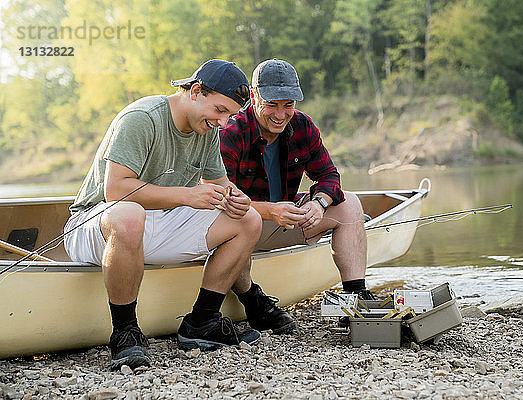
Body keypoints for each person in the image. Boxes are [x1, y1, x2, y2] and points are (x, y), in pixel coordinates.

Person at [64, 60, 274, 370]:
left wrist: (236, 199)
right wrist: (188, 195)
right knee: (129, 214)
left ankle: (202, 322)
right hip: (97, 224)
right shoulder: (143, 117)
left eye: (230, 114)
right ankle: (125, 332)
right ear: (196, 91)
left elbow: (221, 186)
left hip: (156, 223)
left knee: (247, 221)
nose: (223, 121)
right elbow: (116, 190)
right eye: (219, 110)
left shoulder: (206, 129)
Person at [220, 59, 374, 333]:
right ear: (254, 97)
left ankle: (355, 298)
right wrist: (271, 211)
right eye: (272, 104)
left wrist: (319, 203)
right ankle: (255, 303)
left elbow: (328, 175)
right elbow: (224, 197)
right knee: (236, 220)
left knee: (349, 203)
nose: (281, 115)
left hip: (287, 220)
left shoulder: (303, 126)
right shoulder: (231, 133)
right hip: (242, 222)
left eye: (288, 105)